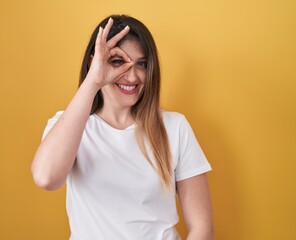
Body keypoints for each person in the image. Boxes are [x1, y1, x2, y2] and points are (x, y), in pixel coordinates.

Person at [31, 15, 213, 240]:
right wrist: (94, 80)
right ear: (93, 63)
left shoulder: (174, 127)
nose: (133, 75)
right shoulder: (69, 125)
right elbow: (46, 178)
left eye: (142, 64)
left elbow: (201, 228)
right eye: (118, 62)